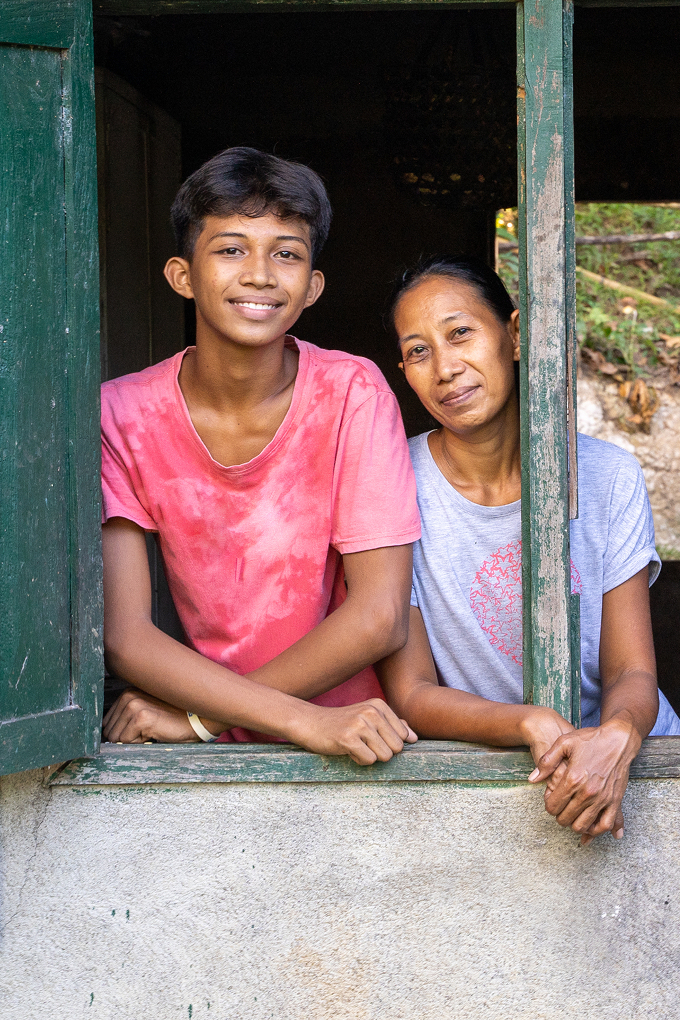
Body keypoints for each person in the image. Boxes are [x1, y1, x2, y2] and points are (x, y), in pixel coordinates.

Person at [100, 147, 421, 764]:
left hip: (361, 738)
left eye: (287, 254)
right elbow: (126, 636)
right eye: (230, 249)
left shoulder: (352, 392)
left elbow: (381, 615)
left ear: (312, 287)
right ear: (182, 276)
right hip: (235, 747)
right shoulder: (123, 414)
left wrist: (200, 720)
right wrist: (288, 720)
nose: (260, 274)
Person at [377, 255, 680, 840]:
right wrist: (530, 722)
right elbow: (411, 692)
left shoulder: (607, 475)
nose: (445, 368)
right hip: (511, 768)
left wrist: (618, 736)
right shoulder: (394, 481)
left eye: (460, 333)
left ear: (515, 336)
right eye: (418, 351)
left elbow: (632, 668)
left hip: (644, 761)